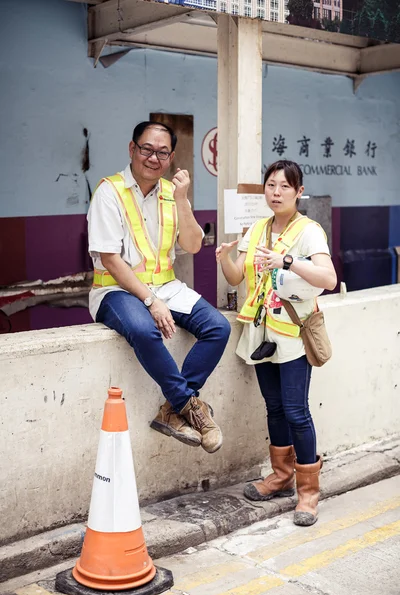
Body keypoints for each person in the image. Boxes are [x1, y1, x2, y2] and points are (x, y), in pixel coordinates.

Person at [88, 121, 230, 454]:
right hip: (115, 291)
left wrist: (182, 198)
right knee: (143, 328)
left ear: (171, 157)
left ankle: (171, 410)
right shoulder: (109, 191)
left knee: (218, 327)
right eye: (147, 149)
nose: (154, 158)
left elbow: (194, 245)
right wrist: (151, 301)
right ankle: (191, 408)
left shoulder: (171, 193)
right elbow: (110, 259)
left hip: (166, 286)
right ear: (132, 149)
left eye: (162, 152)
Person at [216, 160, 337, 526]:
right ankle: (281, 475)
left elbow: (328, 278)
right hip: (261, 332)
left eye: (285, 186)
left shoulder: (309, 231)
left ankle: (308, 492)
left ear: (299, 192)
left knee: (296, 410)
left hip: (294, 334)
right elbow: (238, 276)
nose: (276, 192)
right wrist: (224, 259)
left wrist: (287, 260)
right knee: (273, 408)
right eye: (271, 185)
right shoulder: (257, 229)